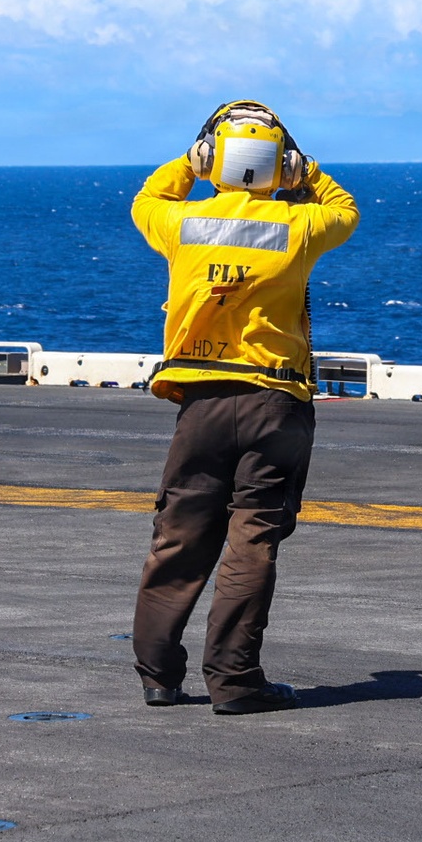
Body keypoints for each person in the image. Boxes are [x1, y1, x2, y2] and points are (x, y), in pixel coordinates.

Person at [131, 100, 359, 715]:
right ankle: (234, 682)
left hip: (200, 402)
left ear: (214, 160)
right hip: (274, 402)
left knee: (178, 536)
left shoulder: (181, 223)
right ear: (280, 164)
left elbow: (147, 200)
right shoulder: (298, 226)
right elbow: (345, 210)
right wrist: (307, 173)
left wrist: (189, 164)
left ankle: (157, 677)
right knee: (253, 537)